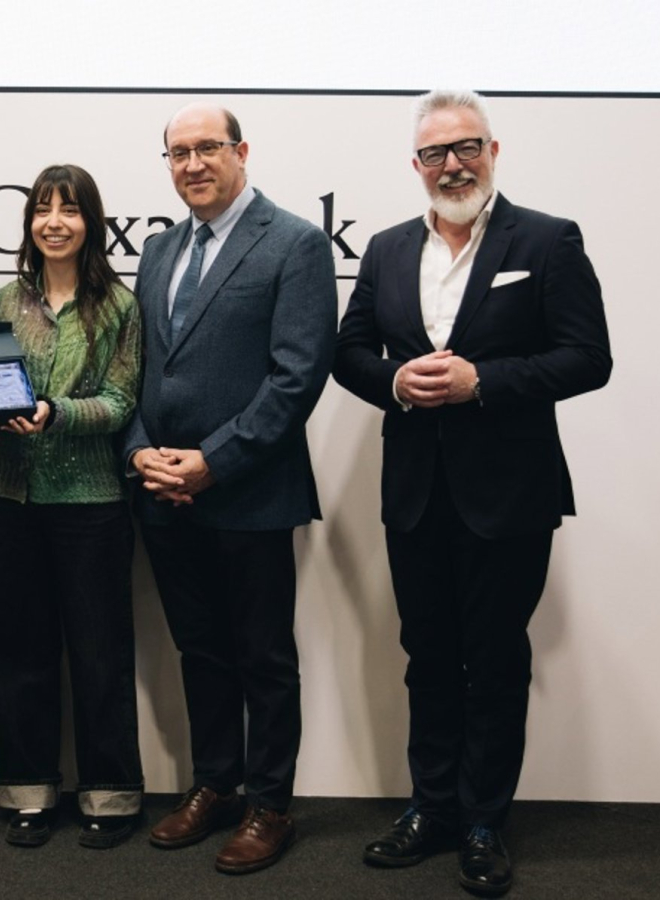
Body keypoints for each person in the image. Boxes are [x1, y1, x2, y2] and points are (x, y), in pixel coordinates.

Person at [333, 89, 612, 896]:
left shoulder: (548, 239)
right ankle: (432, 810)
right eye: (435, 153)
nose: (452, 165)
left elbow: (588, 357)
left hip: (510, 495)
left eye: (466, 147)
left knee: (493, 660)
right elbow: (349, 353)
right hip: (414, 493)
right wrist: (396, 382)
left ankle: (484, 821)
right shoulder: (386, 249)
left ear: (494, 150)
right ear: (415, 164)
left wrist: (481, 380)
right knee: (426, 657)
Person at [122, 103, 337, 874]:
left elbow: (296, 377)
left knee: (264, 657)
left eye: (207, 148)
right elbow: (136, 368)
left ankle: (270, 804)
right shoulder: (158, 250)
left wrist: (212, 461)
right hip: (163, 493)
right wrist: (142, 453)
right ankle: (216, 783)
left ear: (241, 152)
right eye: (177, 153)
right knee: (200, 650)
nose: (192, 164)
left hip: (251, 491)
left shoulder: (295, 243)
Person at [0, 164, 143, 849]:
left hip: (91, 503)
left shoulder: (120, 306)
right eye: (42, 209)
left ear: (90, 222)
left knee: (100, 654)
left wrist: (56, 413)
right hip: (6, 496)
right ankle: (27, 792)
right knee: (16, 650)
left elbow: (122, 402)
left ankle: (111, 796)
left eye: (69, 210)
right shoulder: (4, 302)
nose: (54, 222)